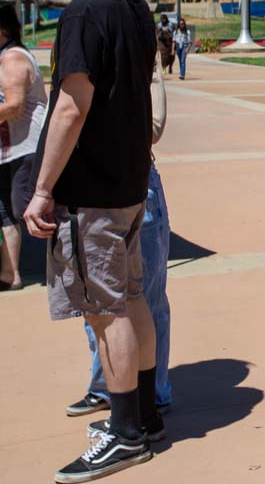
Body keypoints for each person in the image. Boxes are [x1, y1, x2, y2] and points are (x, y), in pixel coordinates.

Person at [24, 0, 160, 482]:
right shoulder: (137, 8)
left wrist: (42, 188)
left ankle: (127, 434)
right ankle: (143, 415)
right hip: (130, 183)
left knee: (106, 310)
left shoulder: (83, 14)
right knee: (131, 298)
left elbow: (72, 107)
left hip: (94, 190)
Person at [69, 54, 174, 419]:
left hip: (134, 183)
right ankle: (106, 386)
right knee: (97, 304)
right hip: (93, 188)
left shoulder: (141, 56)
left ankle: (153, 392)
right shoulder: (86, 51)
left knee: (146, 298)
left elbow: (154, 125)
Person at [0, 4, 48, 291]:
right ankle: (11, 274)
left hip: (25, 149)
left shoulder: (13, 59)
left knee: (28, 209)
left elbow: (15, 106)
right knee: (6, 211)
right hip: (10, 150)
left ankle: (67, 263)